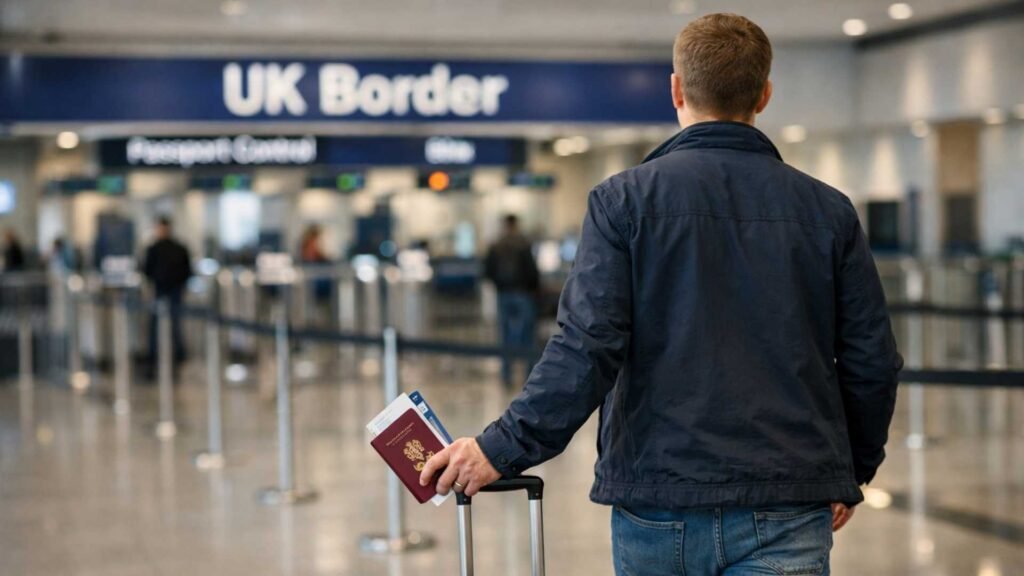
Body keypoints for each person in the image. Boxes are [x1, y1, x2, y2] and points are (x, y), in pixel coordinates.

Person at [421, 13, 902, 576]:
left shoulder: (622, 202)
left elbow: (586, 348)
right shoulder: (828, 211)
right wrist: (850, 470)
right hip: (788, 501)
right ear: (765, 95)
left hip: (658, 500)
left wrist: (501, 447)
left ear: (676, 89)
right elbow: (872, 362)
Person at [484, 214, 540, 386]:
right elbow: (532, 271)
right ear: (516, 225)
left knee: (505, 334)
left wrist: (499, 286)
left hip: (504, 294)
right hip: (523, 294)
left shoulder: (496, 245)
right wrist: (534, 288)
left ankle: (506, 374)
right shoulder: (523, 244)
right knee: (528, 335)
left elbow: (487, 271)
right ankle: (528, 374)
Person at [142, 216, 192, 376]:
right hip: (167, 290)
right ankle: (161, 357)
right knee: (161, 326)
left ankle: (172, 356)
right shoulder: (172, 248)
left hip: (166, 290)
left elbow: (147, 270)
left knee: (170, 326)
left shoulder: (156, 248)